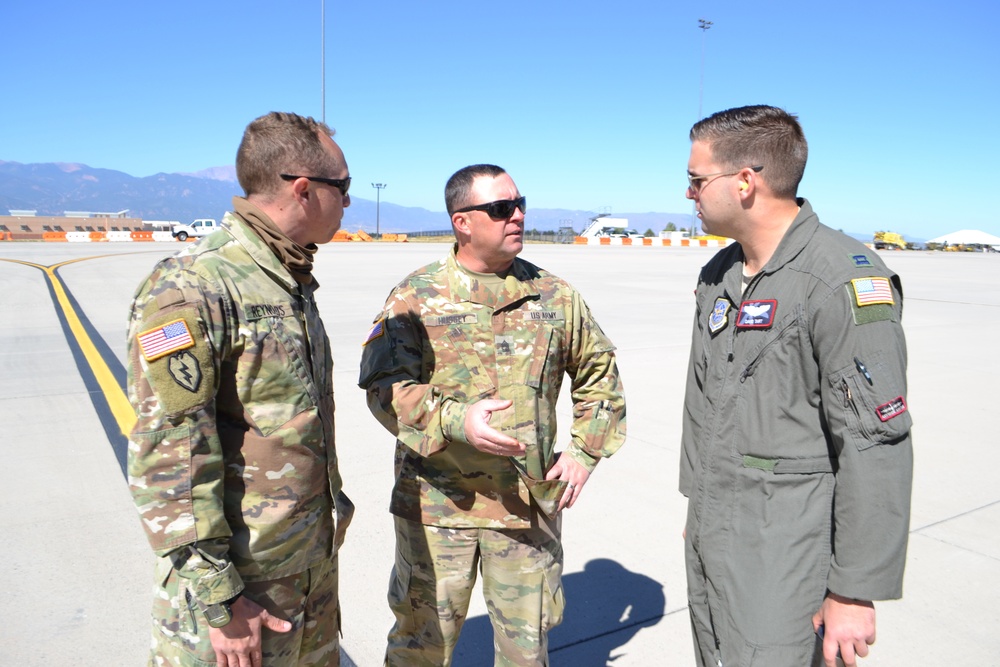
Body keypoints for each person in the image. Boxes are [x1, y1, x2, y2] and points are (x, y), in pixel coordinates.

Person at [358, 164, 626, 666]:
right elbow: (383, 388)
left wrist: (586, 452)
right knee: (422, 647)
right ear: (463, 222)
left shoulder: (555, 296)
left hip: (527, 508)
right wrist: (458, 421)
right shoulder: (415, 297)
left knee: (527, 652)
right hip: (439, 510)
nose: (518, 215)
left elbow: (600, 376)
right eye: (502, 208)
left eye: (520, 203)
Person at [679, 105, 913, 667]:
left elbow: (875, 443)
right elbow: (705, 405)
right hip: (717, 532)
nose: (688, 193)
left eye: (696, 179)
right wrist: (698, 511)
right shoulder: (719, 274)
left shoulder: (841, 279)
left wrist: (854, 588)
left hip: (787, 549)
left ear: (744, 181)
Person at [126, 111, 354, 667]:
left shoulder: (285, 277)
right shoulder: (196, 285)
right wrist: (219, 599)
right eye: (342, 188)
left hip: (303, 570)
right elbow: (171, 455)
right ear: (303, 189)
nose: (347, 203)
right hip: (241, 592)